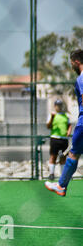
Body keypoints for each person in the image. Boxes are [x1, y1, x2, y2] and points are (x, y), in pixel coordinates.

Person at [45, 49, 83, 197]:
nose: (71, 66)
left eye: (71, 63)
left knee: (74, 154)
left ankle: (61, 185)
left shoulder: (81, 78)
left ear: (77, 62)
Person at [46, 99, 72, 180]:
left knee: (63, 157)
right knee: (53, 156)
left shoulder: (66, 115)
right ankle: (51, 174)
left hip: (64, 139)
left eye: (60, 105)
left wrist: (69, 131)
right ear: (55, 106)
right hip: (54, 138)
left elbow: (69, 125)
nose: (59, 107)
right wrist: (52, 118)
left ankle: (63, 175)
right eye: (57, 105)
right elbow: (48, 126)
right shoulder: (52, 115)